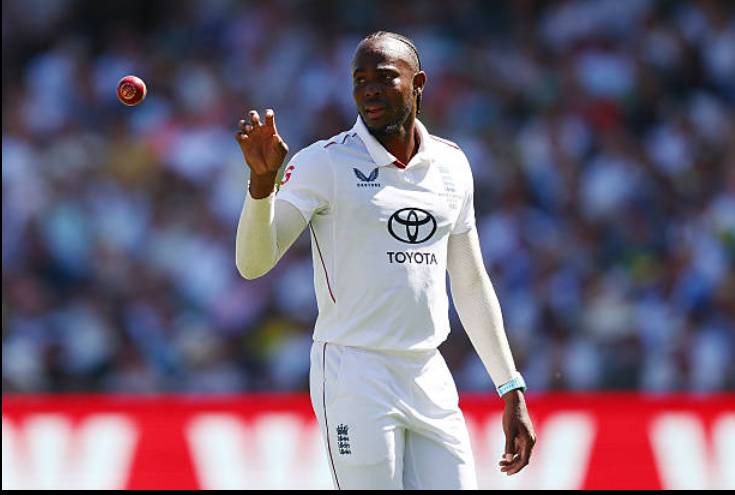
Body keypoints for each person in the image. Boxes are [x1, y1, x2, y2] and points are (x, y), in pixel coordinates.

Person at [234, 31, 536, 490]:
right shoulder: (324, 163)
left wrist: (510, 386)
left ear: (419, 84)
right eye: (360, 80)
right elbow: (253, 264)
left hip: (427, 370)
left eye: (385, 77)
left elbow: (471, 283)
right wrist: (261, 185)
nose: (369, 90)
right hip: (354, 372)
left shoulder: (452, 164)